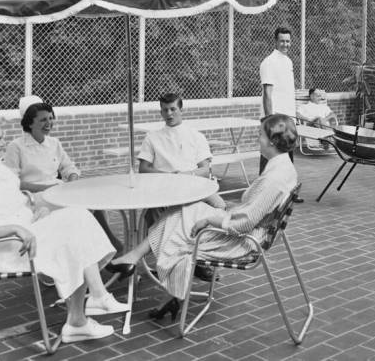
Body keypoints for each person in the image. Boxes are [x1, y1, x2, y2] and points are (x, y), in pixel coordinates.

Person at [0, 112, 129, 343]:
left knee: (77, 216)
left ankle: (87, 309)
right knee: (74, 226)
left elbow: (12, 203)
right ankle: (88, 308)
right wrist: (14, 228)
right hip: (2, 250)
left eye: (3, 137)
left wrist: (35, 211)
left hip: (26, 237)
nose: (3, 142)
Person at [106, 114, 298, 321]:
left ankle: (144, 268)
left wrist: (210, 220)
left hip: (242, 240)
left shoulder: (274, 179)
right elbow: (252, 210)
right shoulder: (282, 166)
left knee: (178, 228)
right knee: (182, 211)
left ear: (271, 140)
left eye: (260, 135)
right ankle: (142, 266)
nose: (257, 139)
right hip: (240, 225)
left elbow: (245, 223)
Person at [4, 96, 123, 255]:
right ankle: (108, 248)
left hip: (58, 191)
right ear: (30, 123)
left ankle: (100, 247)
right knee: (81, 207)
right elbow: (12, 182)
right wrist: (46, 188)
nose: (49, 123)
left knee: (94, 203)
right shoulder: (16, 146)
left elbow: (69, 167)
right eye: (43, 120)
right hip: (33, 197)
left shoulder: (54, 143)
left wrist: (72, 180)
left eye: (51, 118)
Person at [137, 93, 226, 222]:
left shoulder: (196, 136)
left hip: (192, 185)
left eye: (173, 109)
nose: (169, 113)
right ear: (161, 112)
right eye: (165, 110)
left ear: (181, 110)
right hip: (164, 187)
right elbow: (143, 169)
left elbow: (205, 170)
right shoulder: (152, 137)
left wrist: (184, 175)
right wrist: (169, 176)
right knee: (156, 211)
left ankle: (204, 239)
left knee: (220, 205)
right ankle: (159, 239)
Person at [260, 26, 302, 202]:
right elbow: (267, 93)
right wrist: (270, 121)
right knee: (270, 156)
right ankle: (262, 193)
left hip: (287, 117)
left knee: (287, 156)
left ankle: (288, 192)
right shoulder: (268, 62)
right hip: (274, 118)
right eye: (282, 41)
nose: (286, 44)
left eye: (288, 41)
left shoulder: (288, 61)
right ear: (275, 41)